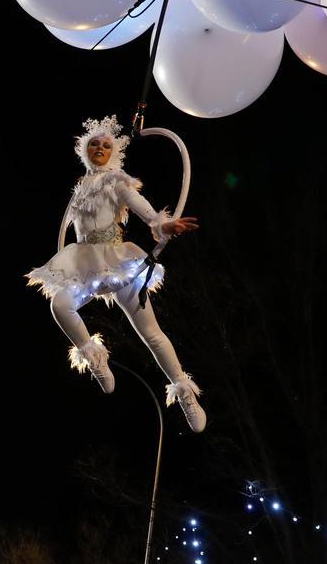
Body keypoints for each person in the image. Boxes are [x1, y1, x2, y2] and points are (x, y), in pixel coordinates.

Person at [27, 116, 207, 432]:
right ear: (84, 150)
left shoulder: (116, 180)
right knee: (59, 305)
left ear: (114, 152)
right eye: (94, 144)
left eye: (106, 144)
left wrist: (161, 224)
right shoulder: (80, 188)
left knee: (150, 332)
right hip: (84, 261)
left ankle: (184, 392)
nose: (100, 148)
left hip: (117, 260)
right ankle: (96, 361)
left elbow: (140, 205)